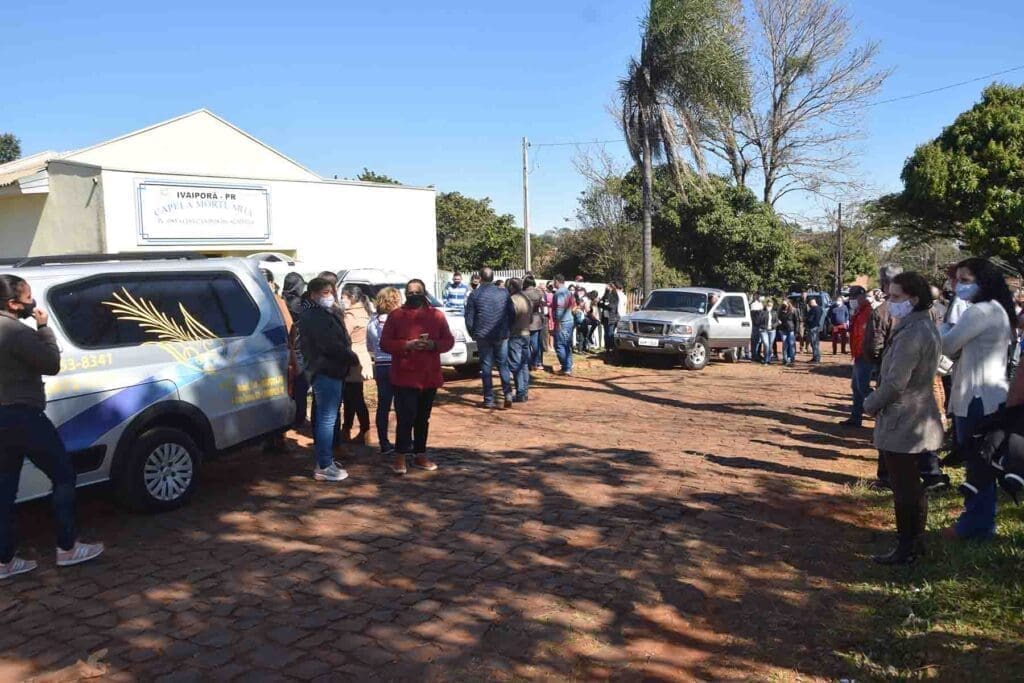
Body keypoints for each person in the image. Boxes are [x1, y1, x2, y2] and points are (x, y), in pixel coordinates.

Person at [1, 274, 104, 579]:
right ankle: (68, 547)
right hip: (24, 416)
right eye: (28, 296)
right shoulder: (16, 331)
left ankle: (4, 561)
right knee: (63, 474)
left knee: (5, 489)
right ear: (12, 303)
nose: (32, 302)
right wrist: (44, 328)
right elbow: (51, 364)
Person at [862, 272, 944, 565]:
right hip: (915, 413)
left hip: (903, 417)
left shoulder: (912, 332)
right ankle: (913, 543)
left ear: (915, 299)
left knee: (904, 485)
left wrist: (870, 403)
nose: (890, 302)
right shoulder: (924, 324)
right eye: (889, 296)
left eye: (896, 297)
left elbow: (896, 383)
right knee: (911, 484)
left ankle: (906, 547)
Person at [941, 257, 1015, 541]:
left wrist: (943, 329)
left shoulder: (980, 312)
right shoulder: (998, 310)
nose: (959, 286)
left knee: (977, 464)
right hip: (991, 394)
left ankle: (975, 525)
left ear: (983, 282)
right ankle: (979, 521)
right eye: (957, 279)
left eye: (966, 280)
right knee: (983, 463)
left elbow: (947, 345)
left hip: (975, 397)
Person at [380, 279, 455, 474]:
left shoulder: (436, 315)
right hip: (404, 376)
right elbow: (385, 343)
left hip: (429, 376)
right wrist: (406, 345)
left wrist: (433, 345)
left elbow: (448, 340)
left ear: (424, 293)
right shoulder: (396, 315)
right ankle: (400, 456)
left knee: (423, 418)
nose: (413, 295)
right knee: (405, 418)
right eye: (409, 292)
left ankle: (420, 454)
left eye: (416, 292)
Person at [299, 277, 355, 482]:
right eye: (325, 292)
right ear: (313, 294)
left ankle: (326, 459)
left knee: (328, 418)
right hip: (325, 370)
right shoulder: (314, 316)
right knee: (327, 419)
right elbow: (329, 344)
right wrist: (350, 356)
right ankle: (324, 464)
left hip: (331, 370)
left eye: (331, 291)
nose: (329, 296)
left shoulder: (323, 313)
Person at [464, 267, 515, 409]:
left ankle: (488, 399)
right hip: (501, 334)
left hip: (483, 335)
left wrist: (472, 333)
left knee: (486, 366)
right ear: (493, 278)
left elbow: (469, 318)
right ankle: (508, 394)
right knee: (503, 364)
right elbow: (512, 313)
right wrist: (508, 329)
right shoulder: (504, 293)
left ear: (480, 278)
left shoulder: (475, 295)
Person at [367, 287, 401, 455]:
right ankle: (404, 441)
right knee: (402, 404)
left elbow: (369, 345)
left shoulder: (372, 321)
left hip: (380, 364)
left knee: (383, 405)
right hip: (396, 362)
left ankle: (384, 442)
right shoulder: (398, 319)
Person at [339, 285, 374, 444]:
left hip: (351, 357)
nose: (342, 300)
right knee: (355, 396)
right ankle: (360, 430)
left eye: (344, 297)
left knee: (352, 398)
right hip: (362, 356)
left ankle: (351, 429)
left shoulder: (350, 315)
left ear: (351, 297)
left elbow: (344, 336)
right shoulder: (365, 311)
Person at [843, 286, 873, 427]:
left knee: (863, 388)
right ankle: (856, 417)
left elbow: (865, 336)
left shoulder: (868, 312)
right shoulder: (858, 312)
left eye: (854, 297)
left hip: (864, 354)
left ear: (862, 296)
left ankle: (881, 413)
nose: (851, 300)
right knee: (856, 387)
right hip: (858, 354)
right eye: (850, 297)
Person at [506, 278, 532, 402]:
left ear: (511, 287)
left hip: (515, 334)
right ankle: (524, 392)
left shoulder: (512, 300)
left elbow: (509, 318)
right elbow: (531, 317)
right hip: (526, 333)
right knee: (524, 364)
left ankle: (521, 392)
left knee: (516, 365)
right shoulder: (527, 299)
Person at [551, 274, 576, 376]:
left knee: (559, 345)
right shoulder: (568, 292)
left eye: (554, 281)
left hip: (562, 322)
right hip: (569, 321)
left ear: (557, 281)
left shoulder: (559, 293)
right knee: (567, 345)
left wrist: (558, 322)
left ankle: (566, 367)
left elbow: (560, 309)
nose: (553, 283)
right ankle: (568, 366)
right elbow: (573, 305)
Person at [522, 276, 546, 371]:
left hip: (525, 320)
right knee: (535, 343)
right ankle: (536, 362)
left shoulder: (523, 294)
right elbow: (543, 305)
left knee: (526, 344)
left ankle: (528, 363)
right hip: (536, 319)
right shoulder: (539, 293)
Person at [599, 283, 621, 352]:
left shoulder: (615, 296)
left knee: (610, 332)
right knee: (606, 333)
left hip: (612, 317)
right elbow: (600, 303)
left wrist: (606, 305)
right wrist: (604, 304)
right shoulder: (605, 295)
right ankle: (607, 347)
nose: (607, 289)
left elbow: (612, 306)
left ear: (612, 288)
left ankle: (611, 347)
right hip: (605, 317)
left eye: (608, 288)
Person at [777, 300, 799, 366]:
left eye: (785, 304)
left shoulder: (793, 310)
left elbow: (796, 321)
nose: (784, 305)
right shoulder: (780, 311)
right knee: (785, 345)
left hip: (791, 329)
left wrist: (796, 331)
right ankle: (785, 359)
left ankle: (792, 359)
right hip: (783, 330)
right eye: (783, 304)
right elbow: (778, 319)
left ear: (788, 304)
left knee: (791, 344)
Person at [804, 298, 824, 363]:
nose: (809, 304)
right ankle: (815, 357)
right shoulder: (820, 308)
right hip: (815, 327)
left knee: (814, 343)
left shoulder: (814, 309)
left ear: (812, 302)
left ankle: (816, 358)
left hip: (813, 327)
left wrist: (806, 319)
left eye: (810, 303)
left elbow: (811, 319)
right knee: (814, 343)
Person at [750, 299, 769, 364]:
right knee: (756, 342)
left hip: (757, 327)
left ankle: (756, 356)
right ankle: (755, 357)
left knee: (757, 342)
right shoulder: (757, 311)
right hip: (756, 327)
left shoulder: (756, 310)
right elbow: (757, 320)